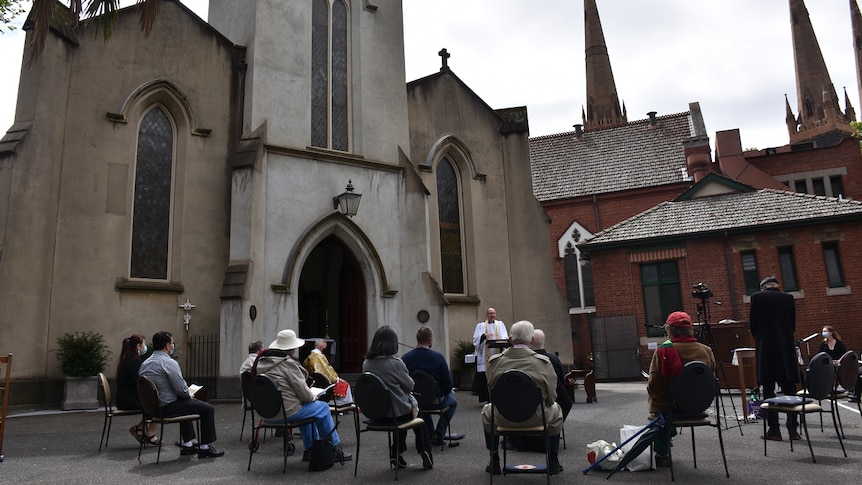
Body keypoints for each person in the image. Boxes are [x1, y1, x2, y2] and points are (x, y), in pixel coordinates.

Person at [253, 329, 351, 463]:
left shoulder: (262, 363)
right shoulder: (288, 364)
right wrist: (314, 396)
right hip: (287, 412)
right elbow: (304, 394)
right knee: (321, 408)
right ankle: (333, 449)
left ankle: (310, 450)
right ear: (292, 348)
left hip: (267, 414)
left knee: (308, 410)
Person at [481, 320, 563, 475]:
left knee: (487, 411)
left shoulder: (495, 362)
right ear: (531, 340)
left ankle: (494, 460)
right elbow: (551, 398)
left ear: (511, 340)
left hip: (503, 417)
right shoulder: (543, 363)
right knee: (556, 409)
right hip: (537, 418)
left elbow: (492, 396)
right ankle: (553, 461)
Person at [138, 331, 224, 458]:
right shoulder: (169, 363)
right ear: (167, 346)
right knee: (207, 409)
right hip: (167, 407)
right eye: (172, 343)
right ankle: (205, 447)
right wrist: (189, 394)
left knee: (185, 404)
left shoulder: (145, 364)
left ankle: (188, 444)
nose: (173, 346)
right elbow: (181, 390)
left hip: (152, 409)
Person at [646, 311, 716, 468]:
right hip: (698, 407)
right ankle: (669, 431)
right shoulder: (706, 350)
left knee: (657, 404)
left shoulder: (663, 350)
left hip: (670, 409)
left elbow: (654, 386)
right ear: (690, 330)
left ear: (669, 331)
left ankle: (663, 453)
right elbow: (710, 379)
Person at [362, 326, 433, 470]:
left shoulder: (366, 364)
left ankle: (396, 453)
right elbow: (410, 386)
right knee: (415, 415)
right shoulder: (396, 363)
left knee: (400, 410)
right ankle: (425, 451)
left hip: (376, 414)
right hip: (395, 413)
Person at [749, 275, 800, 442]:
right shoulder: (788, 298)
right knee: (790, 390)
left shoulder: (757, 298)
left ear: (763, 287)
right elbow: (792, 325)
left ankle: (774, 429)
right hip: (786, 348)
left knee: (769, 391)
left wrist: (761, 338)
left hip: (766, 349)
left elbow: (753, 325)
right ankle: (793, 429)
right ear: (778, 286)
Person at [401, 326, 458, 447]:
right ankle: (439, 432)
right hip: (437, 400)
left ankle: (430, 434)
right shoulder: (438, 358)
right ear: (430, 341)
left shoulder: (405, 359)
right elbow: (448, 386)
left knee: (422, 402)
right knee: (453, 401)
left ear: (417, 339)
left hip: (416, 400)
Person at [116, 334, 159, 445]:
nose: (145, 347)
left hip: (123, 398)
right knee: (159, 405)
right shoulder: (135, 361)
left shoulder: (126, 358)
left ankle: (139, 429)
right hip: (129, 399)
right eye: (144, 344)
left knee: (153, 404)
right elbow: (139, 383)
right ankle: (150, 433)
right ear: (138, 346)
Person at [302, 339, 354, 405]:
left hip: (314, 382)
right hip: (324, 382)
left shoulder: (309, 356)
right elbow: (326, 371)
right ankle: (344, 405)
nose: (325, 348)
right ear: (321, 346)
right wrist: (336, 378)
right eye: (324, 346)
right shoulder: (319, 356)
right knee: (344, 384)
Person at [472, 307, 508, 403]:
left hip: (497, 353)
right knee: (485, 377)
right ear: (486, 315)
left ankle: (498, 397)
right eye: (490, 313)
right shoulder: (481, 326)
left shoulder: (500, 324)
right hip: (485, 355)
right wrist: (483, 336)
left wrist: (500, 340)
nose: (492, 315)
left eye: (493, 313)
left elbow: (505, 336)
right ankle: (487, 398)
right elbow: (476, 339)